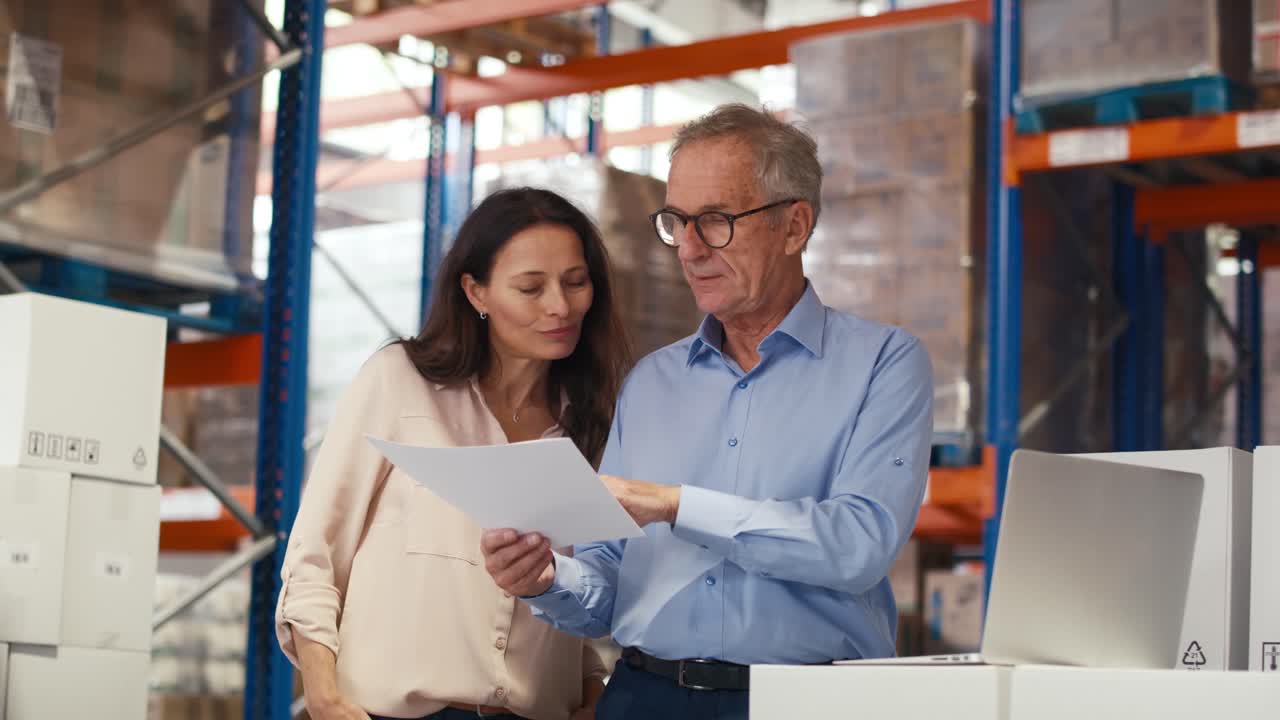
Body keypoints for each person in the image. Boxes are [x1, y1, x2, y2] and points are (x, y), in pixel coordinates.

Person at [480, 104, 935, 719]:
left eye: (715, 221)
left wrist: (675, 505)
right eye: (676, 222)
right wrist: (547, 580)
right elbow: (608, 582)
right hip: (646, 696)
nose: (689, 250)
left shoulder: (884, 363)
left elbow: (858, 545)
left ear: (794, 226)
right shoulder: (651, 382)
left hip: (806, 702)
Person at [275, 187, 632, 720]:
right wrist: (324, 698)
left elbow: (571, 592)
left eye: (576, 282)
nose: (560, 306)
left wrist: (591, 687)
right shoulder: (399, 381)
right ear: (476, 292)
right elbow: (315, 553)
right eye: (530, 288)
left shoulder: (590, 425)